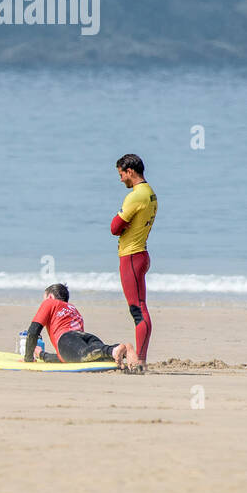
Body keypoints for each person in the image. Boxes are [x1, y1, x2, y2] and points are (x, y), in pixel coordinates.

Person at [111, 154, 157, 369]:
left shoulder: (136, 196)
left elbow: (114, 227)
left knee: (138, 309)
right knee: (138, 308)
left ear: (130, 171)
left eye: (121, 174)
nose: (120, 180)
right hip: (141, 255)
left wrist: (121, 225)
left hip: (131, 255)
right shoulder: (151, 194)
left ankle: (140, 360)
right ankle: (141, 358)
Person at [23, 284, 135, 369]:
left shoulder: (49, 303)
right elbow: (68, 357)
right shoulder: (72, 308)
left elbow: (33, 331)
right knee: (95, 356)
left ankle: (114, 349)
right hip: (86, 337)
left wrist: (28, 359)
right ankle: (123, 350)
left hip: (66, 338)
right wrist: (42, 355)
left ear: (50, 296)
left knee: (85, 354)